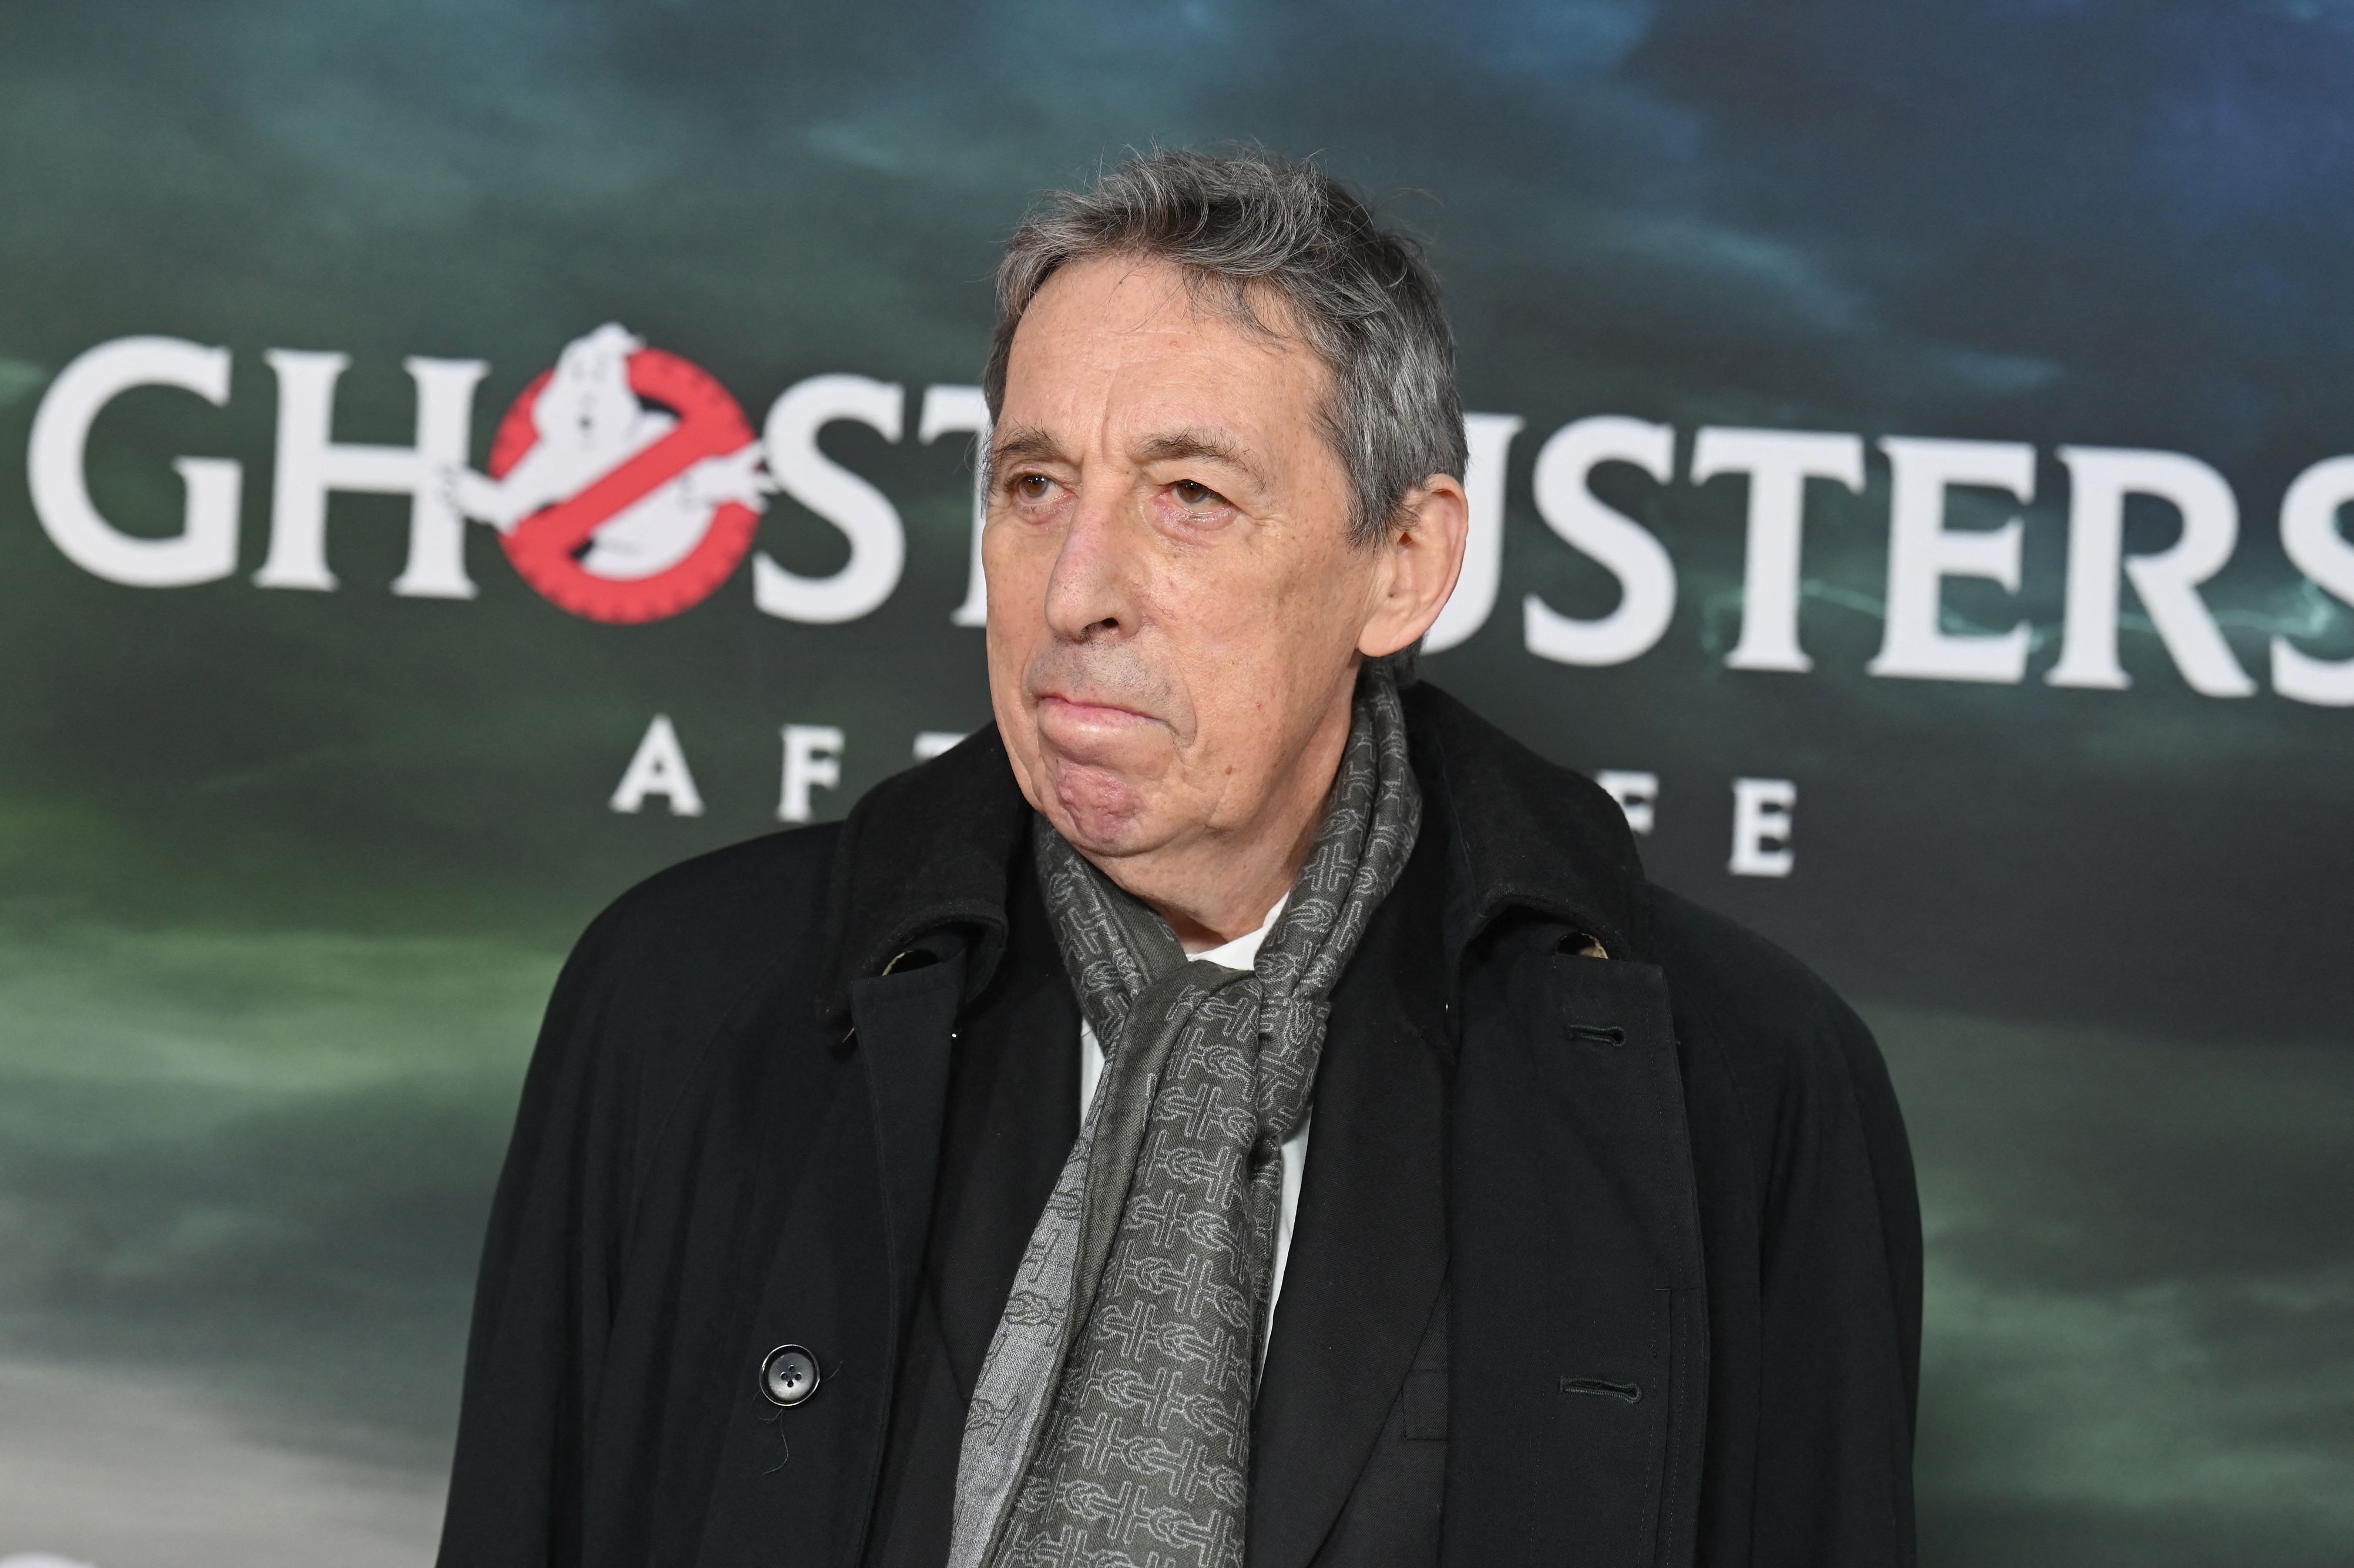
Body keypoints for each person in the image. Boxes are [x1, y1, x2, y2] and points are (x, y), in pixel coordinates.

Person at [436, 147, 1920, 1568]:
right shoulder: (686, 999)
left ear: (1402, 563)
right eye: (1033, 486)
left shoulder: (1737, 1082)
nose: (1078, 589)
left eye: (1189, 496)